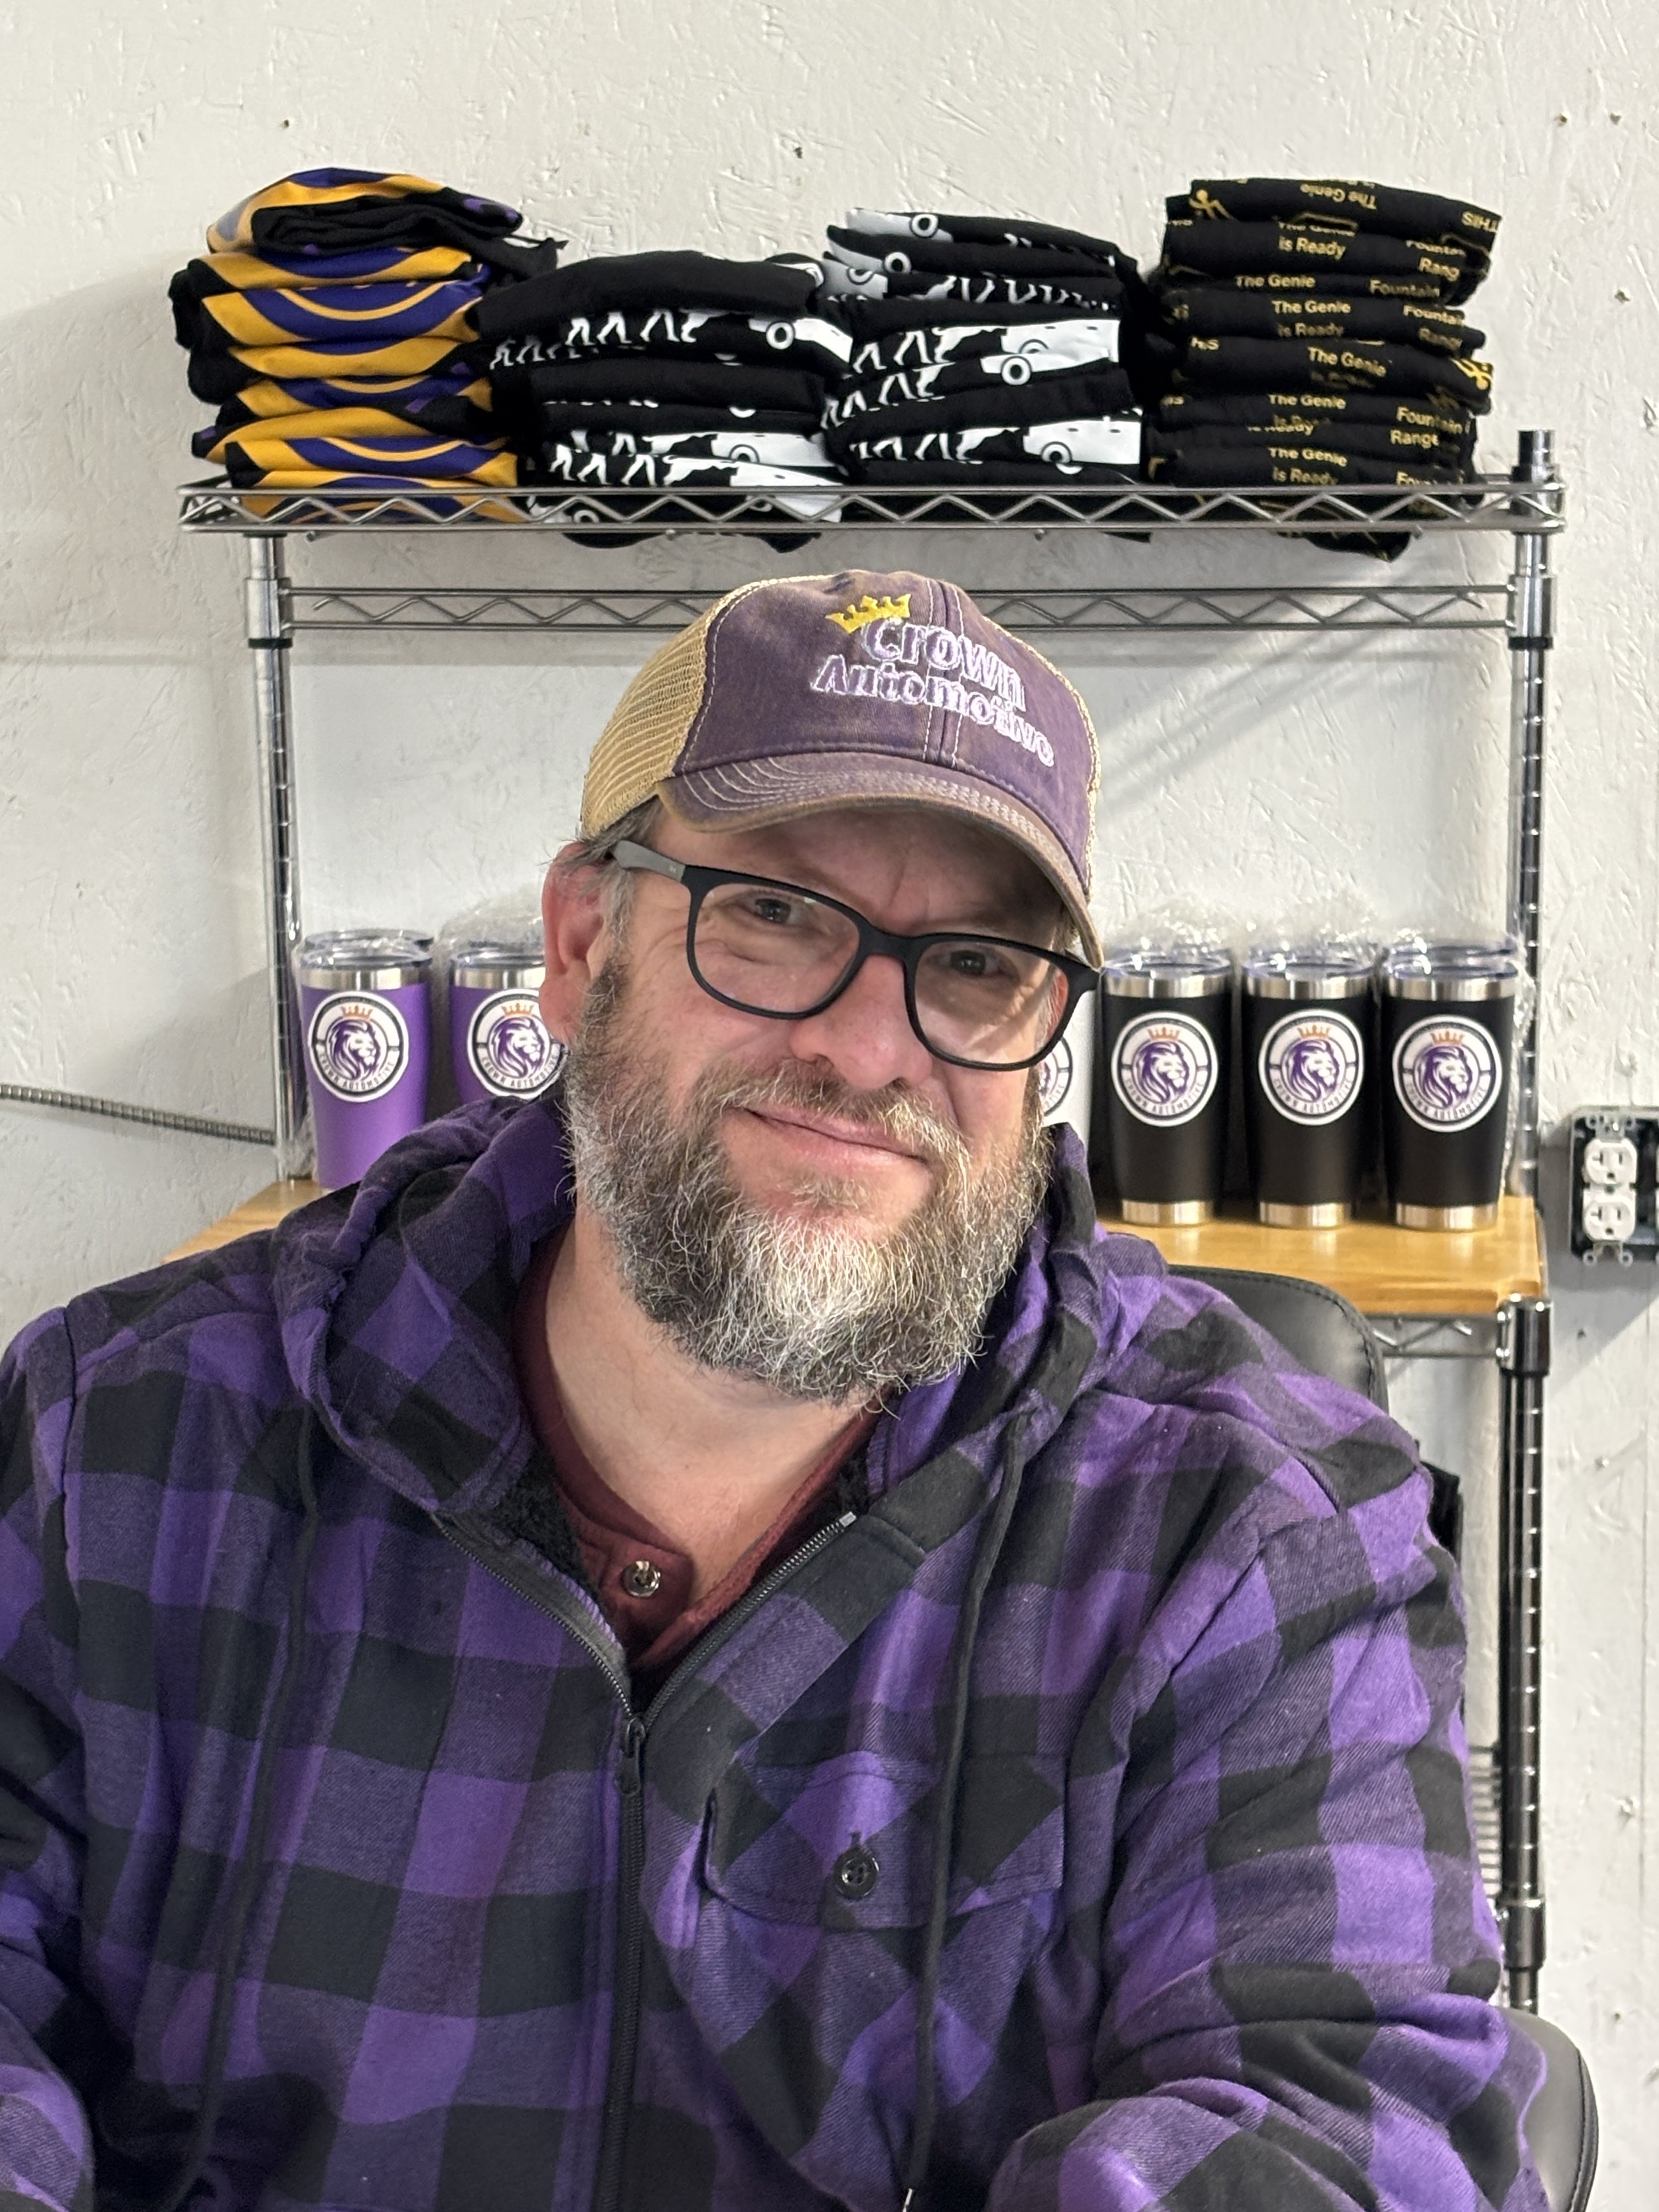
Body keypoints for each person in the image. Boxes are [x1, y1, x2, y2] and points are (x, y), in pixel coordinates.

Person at [0, 570, 1545, 2212]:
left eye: (973, 963)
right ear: (583, 948)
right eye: (776, 915)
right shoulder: (128, 1435)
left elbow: (1346, 2116)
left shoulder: (1248, 1537)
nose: (869, 1046)